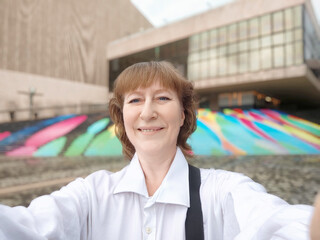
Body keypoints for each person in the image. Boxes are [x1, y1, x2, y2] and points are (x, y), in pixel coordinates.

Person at [0, 61, 315, 239]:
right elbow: (24, 228)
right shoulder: (91, 195)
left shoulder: (222, 191)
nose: (147, 112)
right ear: (122, 117)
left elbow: (283, 223)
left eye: (162, 98)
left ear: (183, 115)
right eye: (135, 100)